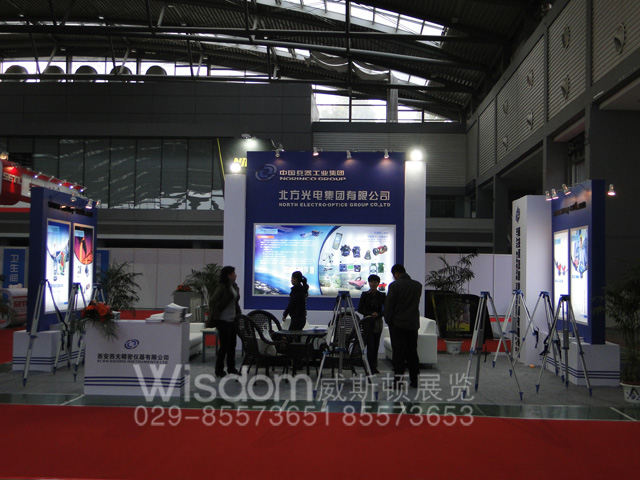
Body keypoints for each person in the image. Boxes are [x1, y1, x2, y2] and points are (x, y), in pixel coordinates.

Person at [385, 264, 422, 388]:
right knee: (412, 353)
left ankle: (398, 382)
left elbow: (389, 305)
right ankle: (415, 381)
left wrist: (388, 321)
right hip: (412, 324)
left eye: (393, 275)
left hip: (397, 325)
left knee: (398, 354)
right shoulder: (417, 286)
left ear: (396, 273)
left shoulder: (394, 286)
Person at [210, 266, 241, 378]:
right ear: (228, 275)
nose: (235, 275)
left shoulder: (234, 286)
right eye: (234, 273)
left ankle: (231, 368)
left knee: (232, 344)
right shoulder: (222, 287)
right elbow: (212, 301)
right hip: (223, 321)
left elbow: (235, 303)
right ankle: (219, 370)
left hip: (232, 320)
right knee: (224, 346)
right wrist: (217, 314)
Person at [357, 274, 385, 374]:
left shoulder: (382, 295)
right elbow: (360, 309)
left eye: (375, 282)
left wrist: (379, 314)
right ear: (369, 283)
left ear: (378, 284)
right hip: (367, 322)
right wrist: (370, 314)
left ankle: (373, 365)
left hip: (378, 323)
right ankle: (370, 367)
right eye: (371, 282)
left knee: (376, 345)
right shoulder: (364, 294)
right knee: (370, 345)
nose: (373, 284)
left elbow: (386, 309)